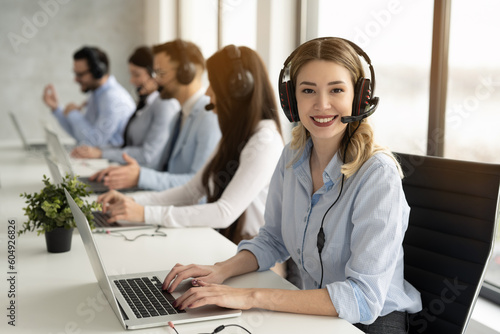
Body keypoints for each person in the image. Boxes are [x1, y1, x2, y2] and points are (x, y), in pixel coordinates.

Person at [160, 37, 422, 333]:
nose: (322, 105)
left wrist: (249, 297)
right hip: (316, 313)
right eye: (308, 90)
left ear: (359, 97)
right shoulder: (293, 156)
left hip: (369, 324)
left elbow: (362, 298)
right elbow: (273, 239)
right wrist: (219, 271)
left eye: (336, 90)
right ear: (290, 99)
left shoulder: (377, 175)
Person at [97, 45, 284, 244]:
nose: (209, 92)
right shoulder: (237, 135)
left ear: (239, 90)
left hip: (253, 251)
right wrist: (133, 203)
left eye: (214, 85)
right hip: (227, 243)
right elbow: (192, 191)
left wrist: (145, 214)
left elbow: (224, 212)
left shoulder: (265, 141)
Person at [89, 39, 221, 191]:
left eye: (160, 73)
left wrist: (140, 177)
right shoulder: (180, 114)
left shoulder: (209, 116)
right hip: (165, 199)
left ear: (185, 73)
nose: (155, 80)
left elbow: (199, 184)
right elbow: (161, 167)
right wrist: (124, 172)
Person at [71, 46, 180, 170]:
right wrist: (97, 151)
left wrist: (101, 153)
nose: (132, 81)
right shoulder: (146, 105)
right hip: (128, 170)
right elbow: (126, 145)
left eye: (136, 75)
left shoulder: (165, 105)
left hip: (143, 175)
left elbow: (148, 156)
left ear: (154, 74)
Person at [43, 46, 135, 147]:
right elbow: (80, 136)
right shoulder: (97, 94)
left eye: (80, 75)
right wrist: (56, 109)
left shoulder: (112, 99)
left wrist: (73, 114)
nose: (76, 80)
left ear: (98, 72)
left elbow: (93, 143)